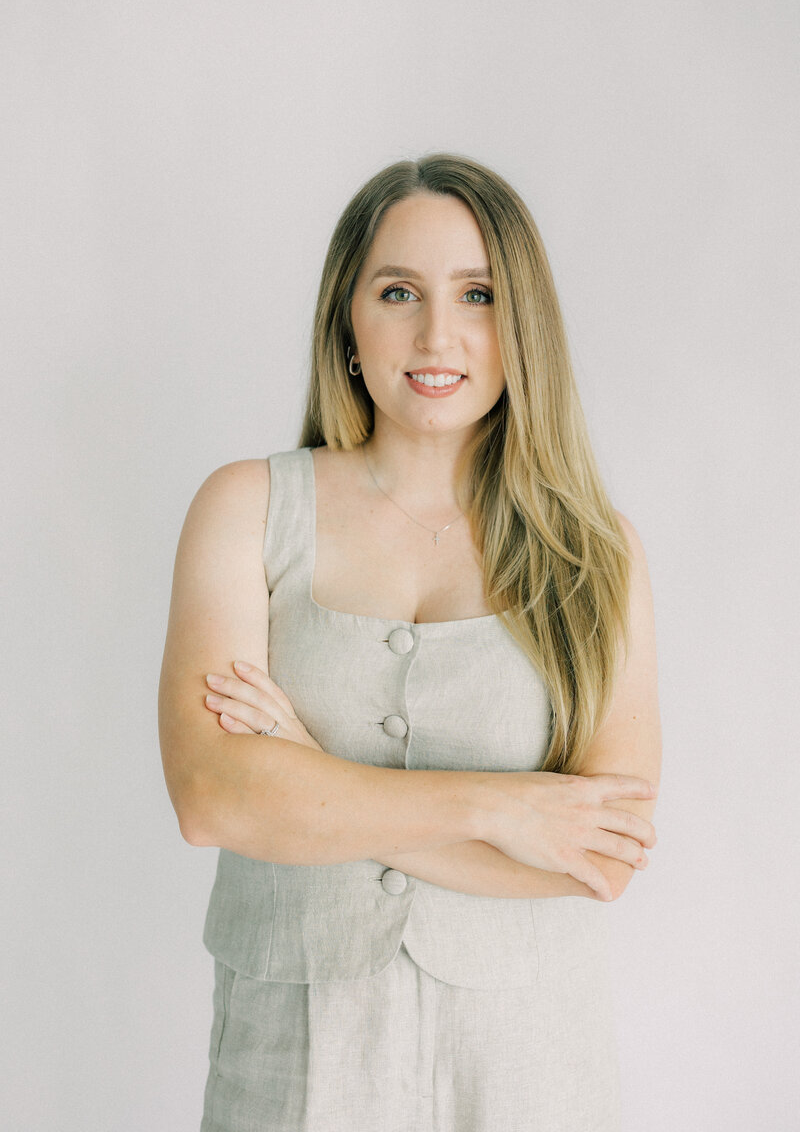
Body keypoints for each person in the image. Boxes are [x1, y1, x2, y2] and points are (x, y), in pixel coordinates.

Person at [158, 152, 662, 1132]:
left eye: (475, 294)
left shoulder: (593, 552)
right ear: (346, 320)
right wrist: (501, 808)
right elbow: (213, 798)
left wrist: (306, 778)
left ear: (521, 325)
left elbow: (598, 854)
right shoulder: (246, 509)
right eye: (398, 292)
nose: (437, 334)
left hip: (524, 1072)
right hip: (291, 1061)